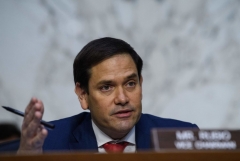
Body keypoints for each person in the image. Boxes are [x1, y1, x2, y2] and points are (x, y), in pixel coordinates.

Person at [0, 37, 198, 153]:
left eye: (131, 83)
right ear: (83, 94)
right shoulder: (49, 143)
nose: (122, 98)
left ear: (141, 84)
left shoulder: (182, 137)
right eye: (106, 87)